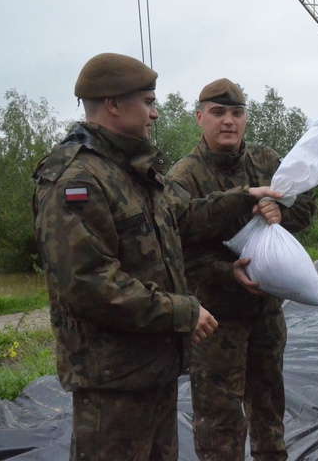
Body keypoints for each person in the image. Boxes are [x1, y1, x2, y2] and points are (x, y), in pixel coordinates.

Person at [32, 54, 280, 461]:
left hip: (155, 365)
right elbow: (89, 284)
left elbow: (182, 217)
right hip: (113, 378)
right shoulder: (77, 178)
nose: (155, 112)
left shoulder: (132, 170)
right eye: (147, 102)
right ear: (113, 104)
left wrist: (244, 197)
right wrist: (181, 312)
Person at [167, 78, 315, 460]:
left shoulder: (265, 161)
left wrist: (282, 211)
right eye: (218, 113)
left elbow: (305, 207)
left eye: (236, 113)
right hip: (216, 320)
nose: (228, 121)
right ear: (200, 117)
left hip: (266, 311)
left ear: (246, 119)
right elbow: (177, 247)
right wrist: (225, 272)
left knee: (269, 403)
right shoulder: (185, 176)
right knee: (220, 418)